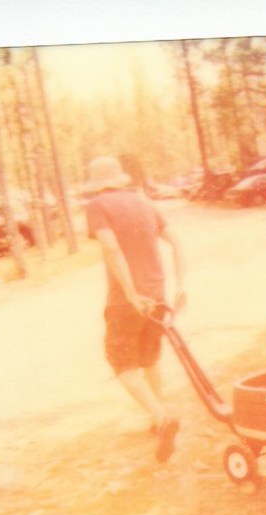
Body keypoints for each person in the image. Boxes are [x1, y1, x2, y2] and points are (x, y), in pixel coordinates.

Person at [85, 155, 186, 462]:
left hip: (125, 301)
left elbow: (111, 246)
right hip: (157, 295)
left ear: (97, 184)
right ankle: (159, 416)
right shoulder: (144, 202)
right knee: (148, 358)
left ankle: (161, 418)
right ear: (119, 178)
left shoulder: (97, 206)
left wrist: (130, 293)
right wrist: (181, 287)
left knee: (121, 361)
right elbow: (176, 241)